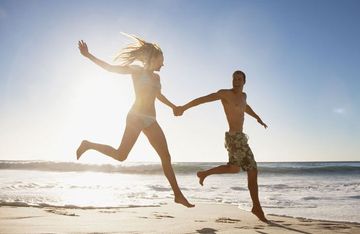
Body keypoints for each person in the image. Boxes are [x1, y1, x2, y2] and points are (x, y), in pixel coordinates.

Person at [76, 33, 194, 208]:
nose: (163, 63)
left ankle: (177, 195)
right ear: (152, 59)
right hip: (136, 117)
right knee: (121, 155)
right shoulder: (136, 71)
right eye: (161, 60)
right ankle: (88, 144)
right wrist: (88, 55)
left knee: (166, 156)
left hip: (151, 119)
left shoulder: (156, 78)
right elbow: (109, 68)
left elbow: (158, 95)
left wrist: (173, 106)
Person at [174, 70, 268, 222]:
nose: (236, 81)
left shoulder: (244, 96)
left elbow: (246, 107)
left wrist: (257, 118)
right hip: (235, 139)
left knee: (234, 168)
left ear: (244, 82)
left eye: (239, 79)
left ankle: (204, 173)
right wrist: (183, 107)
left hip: (237, 138)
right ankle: (256, 207)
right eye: (234, 78)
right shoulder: (225, 94)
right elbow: (203, 99)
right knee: (252, 169)